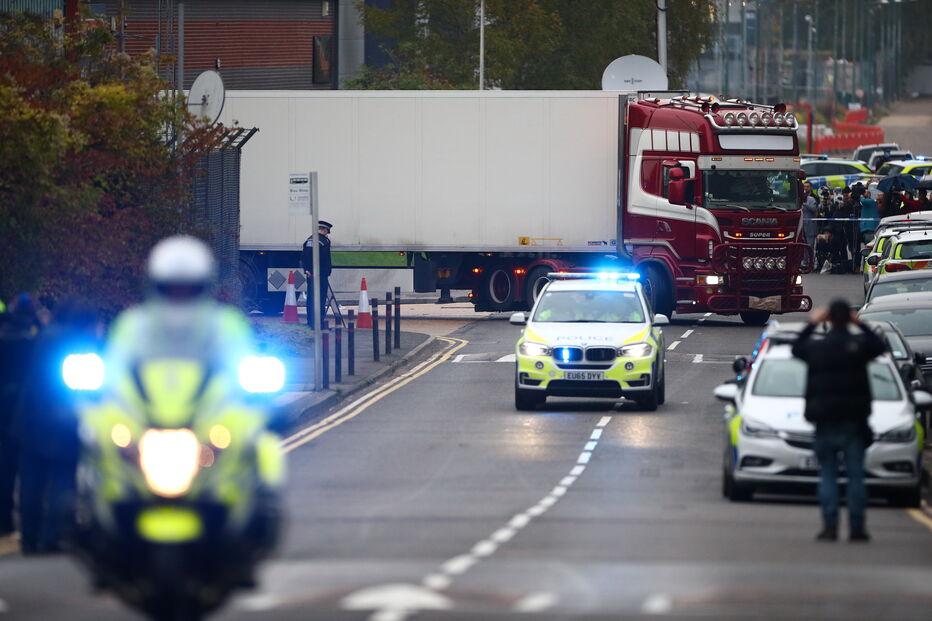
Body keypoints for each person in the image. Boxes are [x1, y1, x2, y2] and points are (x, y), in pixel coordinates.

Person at [791, 300, 886, 542]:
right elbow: (879, 345)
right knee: (855, 475)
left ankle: (830, 526)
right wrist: (860, 324)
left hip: (825, 420)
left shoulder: (818, 348)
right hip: (854, 420)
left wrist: (812, 323)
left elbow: (796, 347)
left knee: (828, 475)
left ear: (829, 319)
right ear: (849, 318)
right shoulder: (858, 346)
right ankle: (857, 528)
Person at [107, 236, 254, 385]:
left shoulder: (226, 324)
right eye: (170, 289)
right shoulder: (134, 324)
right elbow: (115, 372)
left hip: (216, 399)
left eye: (190, 290)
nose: (180, 297)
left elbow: (239, 370)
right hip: (139, 400)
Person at [15, 301, 101, 554]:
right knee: (62, 481)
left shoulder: (43, 337)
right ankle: (50, 537)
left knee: (31, 482)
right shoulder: (82, 347)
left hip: (30, 420)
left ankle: (29, 539)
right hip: (64, 422)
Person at [0, 294, 42, 537]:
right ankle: (30, 525)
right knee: (26, 469)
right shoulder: (34, 340)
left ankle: (4, 520)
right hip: (25, 414)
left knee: (5, 468)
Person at [301, 220, 333, 328]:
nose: (327, 233)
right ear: (324, 230)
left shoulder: (310, 240)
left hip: (313, 274)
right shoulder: (323, 241)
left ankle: (311, 322)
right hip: (320, 274)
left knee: (312, 298)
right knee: (320, 299)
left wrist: (307, 269)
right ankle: (318, 323)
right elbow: (321, 258)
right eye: (327, 231)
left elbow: (305, 256)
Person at [855, 183, 879, 247]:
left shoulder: (871, 201)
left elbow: (863, 201)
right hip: (866, 228)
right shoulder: (869, 202)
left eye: (867, 192)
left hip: (869, 228)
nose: (865, 193)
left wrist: (861, 196)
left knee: (869, 246)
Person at [801, 181, 818, 250]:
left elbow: (814, 209)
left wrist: (805, 203)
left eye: (807, 187)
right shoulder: (799, 199)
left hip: (810, 226)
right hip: (802, 226)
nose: (805, 188)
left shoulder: (812, 199)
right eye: (804, 187)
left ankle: (811, 257)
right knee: (803, 246)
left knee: (810, 245)